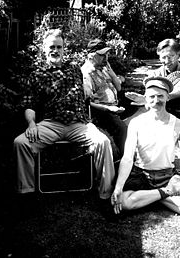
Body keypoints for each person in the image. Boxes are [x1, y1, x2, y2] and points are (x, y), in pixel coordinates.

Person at [13, 29, 115, 200]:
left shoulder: (74, 68)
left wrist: (87, 89)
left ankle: (107, 195)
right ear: (44, 48)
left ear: (63, 48)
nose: (56, 50)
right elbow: (29, 104)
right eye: (52, 46)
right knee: (21, 142)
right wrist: (31, 123)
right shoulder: (37, 74)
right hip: (52, 123)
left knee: (103, 142)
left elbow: (85, 87)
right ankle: (26, 193)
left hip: (78, 123)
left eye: (59, 47)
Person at [111, 76, 180, 222]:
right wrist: (118, 187)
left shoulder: (178, 124)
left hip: (166, 176)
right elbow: (128, 158)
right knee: (124, 201)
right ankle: (168, 192)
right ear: (145, 98)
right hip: (141, 176)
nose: (156, 100)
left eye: (160, 96)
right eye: (151, 96)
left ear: (167, 97)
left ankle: (151, 196)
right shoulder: (136, 123)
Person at [125, 38, 180, 142]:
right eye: (163, 57)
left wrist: (165, 95)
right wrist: (146, 98)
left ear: (179, 55)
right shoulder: (154, 74)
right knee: (152, 99)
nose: (167, 61)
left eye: (171, 56)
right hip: (166, 109)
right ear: (159, 57)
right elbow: (150, 92)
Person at [81, 39, 127, 157]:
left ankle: (131, 158)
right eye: (102, 55)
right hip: (101, 113)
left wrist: (111, 72)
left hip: (115, 107)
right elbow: (88, 103)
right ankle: (122, 162)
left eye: (107, 54)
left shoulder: (104, 68)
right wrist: (108, 109)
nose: (106, 58)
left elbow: (119, 88)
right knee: (122, 129)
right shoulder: (87, 73)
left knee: (141, 111)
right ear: (91, 56)